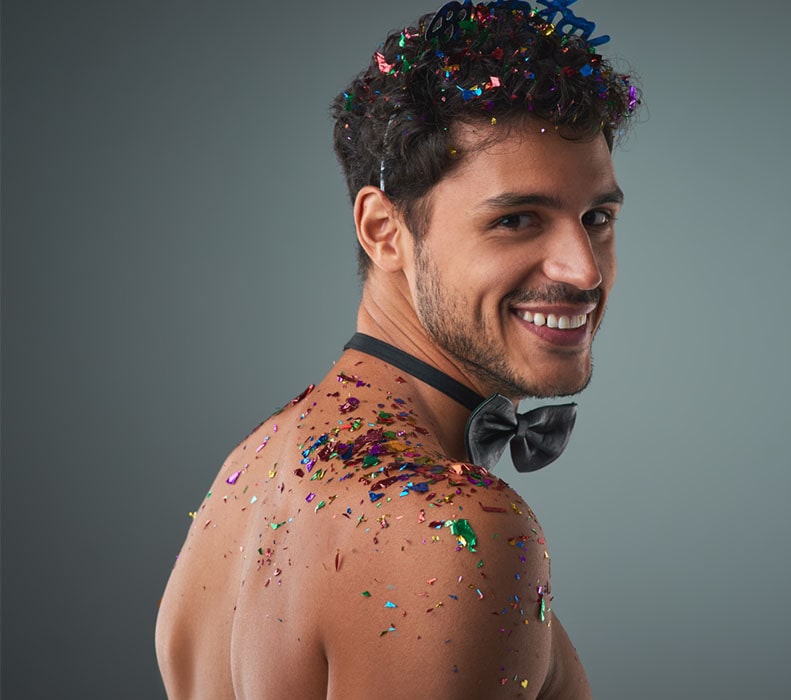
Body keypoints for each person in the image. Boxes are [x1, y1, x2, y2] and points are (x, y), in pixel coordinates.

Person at [155, 1, 638, 697]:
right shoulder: (452, 529)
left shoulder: (248, 473)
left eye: (597, 218)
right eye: (517, 219)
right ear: (384, 231)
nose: (584, 270)